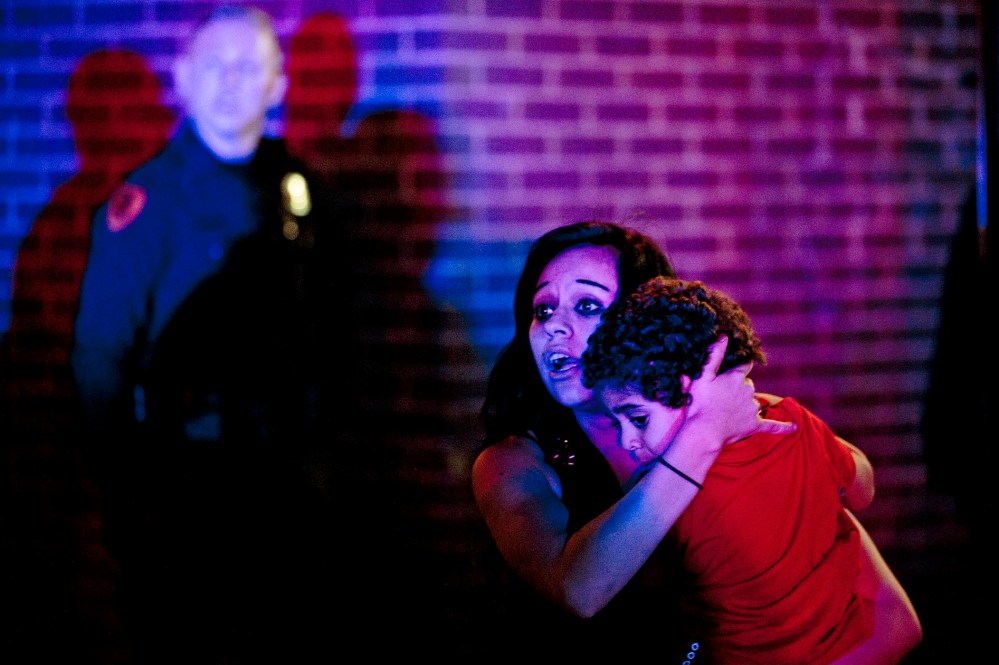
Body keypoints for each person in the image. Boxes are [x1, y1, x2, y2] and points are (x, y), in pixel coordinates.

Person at [70, 5, 356, 662]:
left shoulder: (302, 191)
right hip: (184, 485)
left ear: (277, 85)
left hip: (286, 480)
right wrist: (128, 493)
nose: (232, 82)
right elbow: (100, 359)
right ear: (184, 77)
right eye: (215, 66)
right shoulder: (148, 201)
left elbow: (335, 330)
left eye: (249, 66)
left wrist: (324, 453)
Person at [471, 220, 799, 659]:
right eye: (544, 310)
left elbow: (858, 484)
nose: (555, 328)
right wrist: (702, 436)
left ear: (639, 321)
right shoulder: (511, 462)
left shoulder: (717, 418)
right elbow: (577, 591)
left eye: (587, 306)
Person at [581, 276, 922, 664]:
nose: (627, 440)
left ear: (692, 391)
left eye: (637, 418)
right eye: (617, 423)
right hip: (853, 642)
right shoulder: (794, 421)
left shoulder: (670, 491)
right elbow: (863, 491)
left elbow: (638, 595)